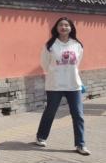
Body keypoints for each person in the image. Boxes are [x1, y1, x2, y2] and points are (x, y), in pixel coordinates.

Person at [35, 17, 90, 155]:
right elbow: (44, 63)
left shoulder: (77, 45)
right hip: (55, 84)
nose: (64, 27)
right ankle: (41, 137)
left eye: (66, 25)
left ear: (71, 28)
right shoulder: (50, 45)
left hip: (73, 84)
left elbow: (77, 63)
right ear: (56, 28)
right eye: (61, 25)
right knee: (50, 112)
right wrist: (55, 72)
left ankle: (80, 144)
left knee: (78, 115)